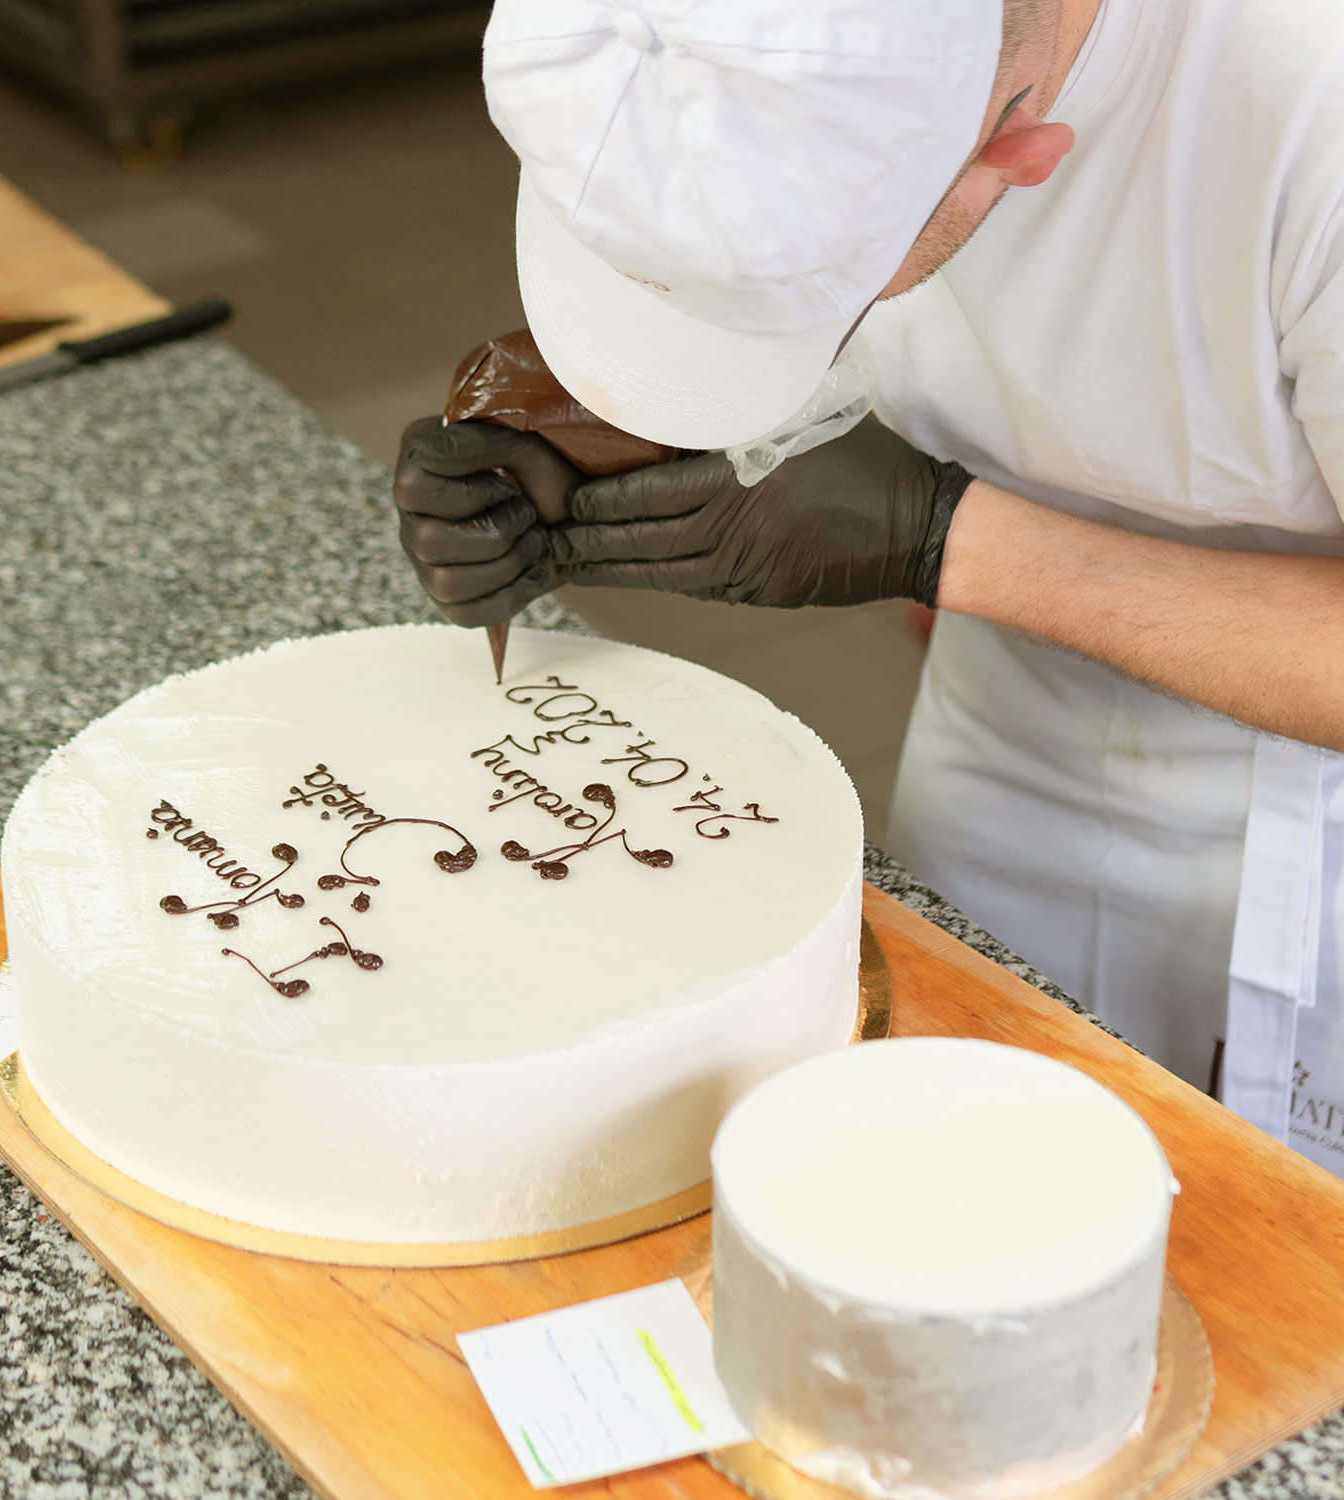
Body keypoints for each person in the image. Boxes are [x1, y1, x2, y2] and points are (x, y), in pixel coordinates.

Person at [392, 0, 1344, 1173]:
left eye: (824, 292)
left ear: (1019, 152)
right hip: (994, 763)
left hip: (1296, 854)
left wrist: (948, 541)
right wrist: (568, 422)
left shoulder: (1311, 110)